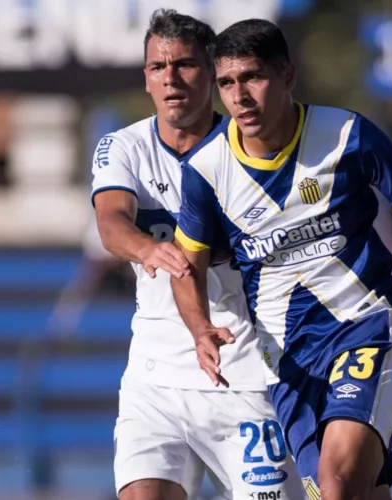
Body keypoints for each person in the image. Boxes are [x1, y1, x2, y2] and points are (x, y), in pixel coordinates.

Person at [170, 18, 392, 500]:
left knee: (337, 486)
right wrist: (199, 327)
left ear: (288, 76)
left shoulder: (347, 135)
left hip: (365, 329)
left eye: (252, 77)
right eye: (227, 83)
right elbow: (185, 266)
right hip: (286, 365)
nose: (240, 96)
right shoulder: (205, 171)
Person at [91, 10, 303, 500]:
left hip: (244, 372)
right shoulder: (122, 147)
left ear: (211, 73)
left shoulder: (248, 148)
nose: (171, 79)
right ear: (145, 79)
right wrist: (152, 249)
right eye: (156, 68)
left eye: (185, 65)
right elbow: (111, 223)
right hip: (156, 378)